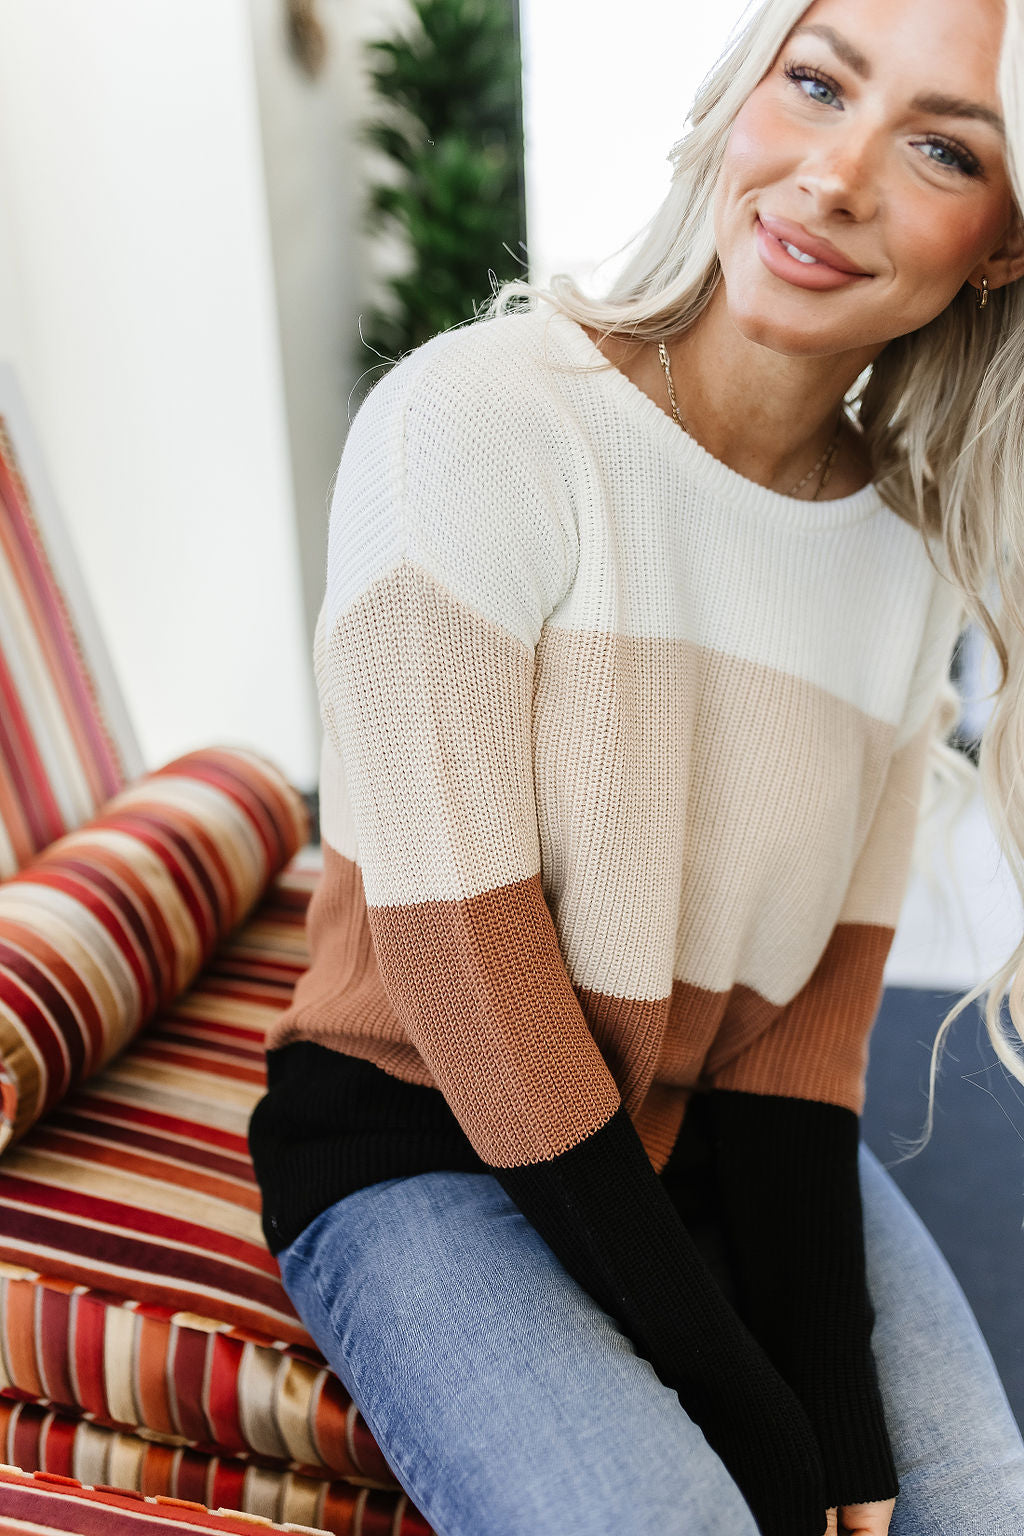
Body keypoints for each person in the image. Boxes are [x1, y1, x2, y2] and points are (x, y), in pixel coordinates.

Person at [248, 0, 1024, 1531]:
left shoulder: (905, 556)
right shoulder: (472, 425)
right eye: (817, 83)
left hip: (707, 1129)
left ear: (1001, 246)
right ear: (743, 92)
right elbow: (473, 990)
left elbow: (804, 1042)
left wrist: (835, 1414)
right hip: (427, 1137)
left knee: (971, 1510)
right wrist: (751, 1410)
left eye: (942, 149)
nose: (835, 176)